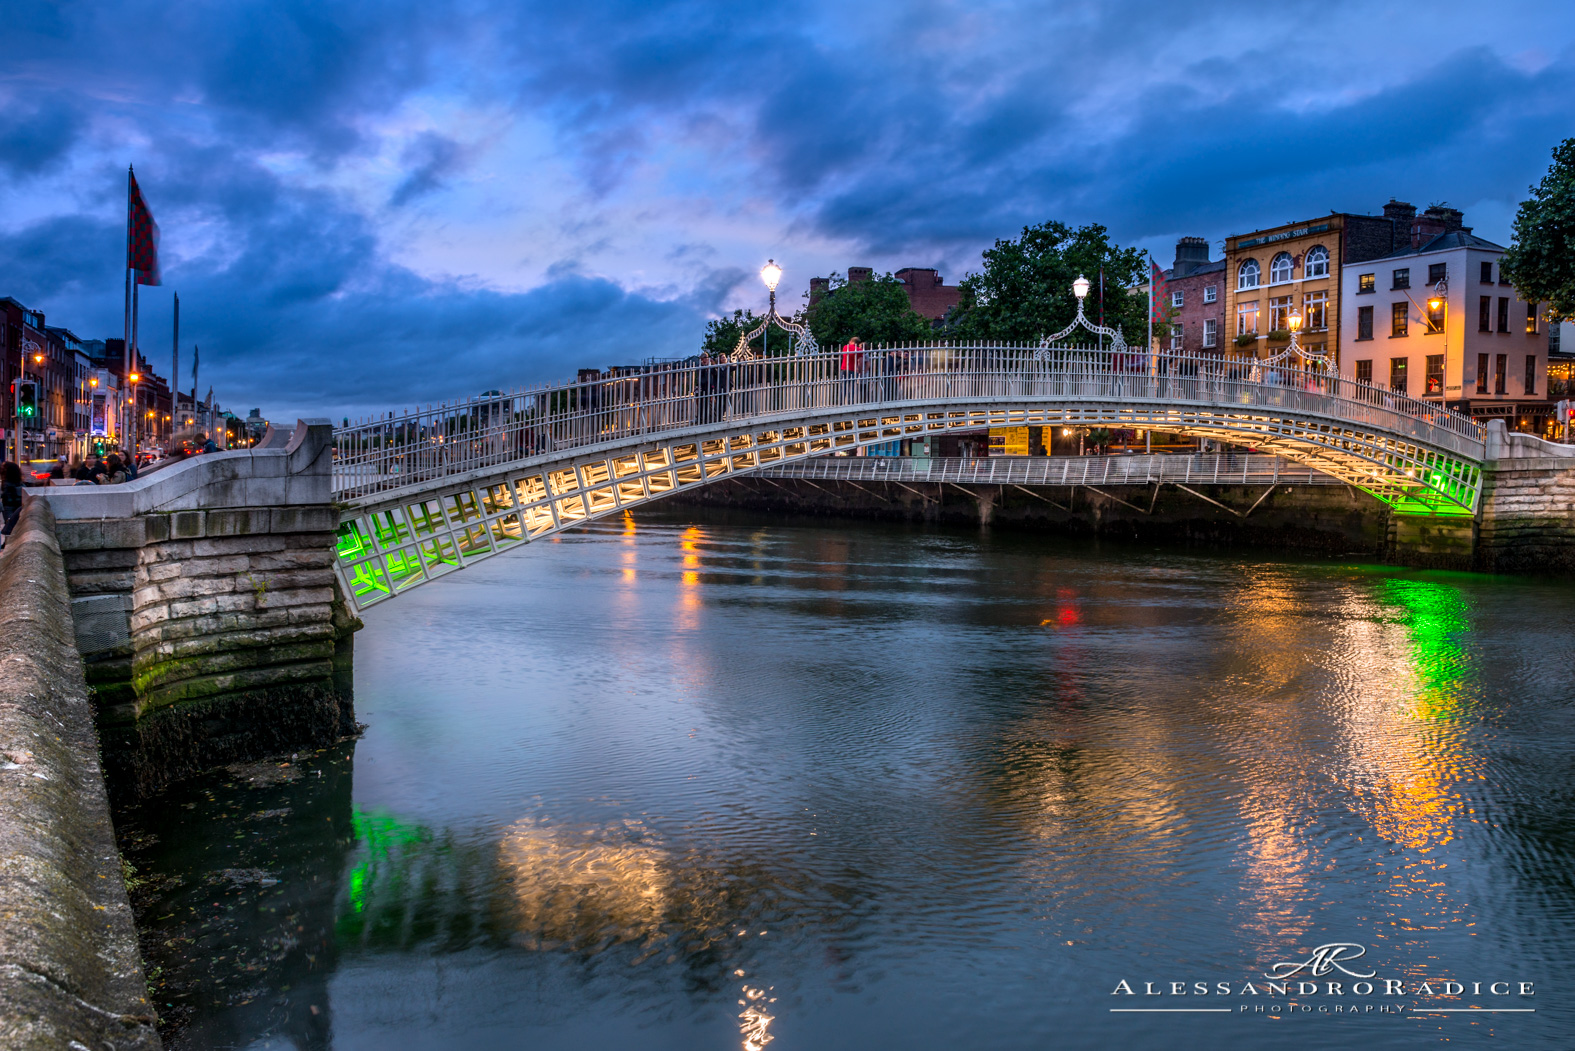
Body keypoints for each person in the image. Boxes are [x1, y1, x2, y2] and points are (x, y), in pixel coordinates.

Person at [1, 462, 24, 536]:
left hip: (8, 507)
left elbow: (5, 495)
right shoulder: (20, 484)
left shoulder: (7, 484)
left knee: (9, 525)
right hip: (16, 505)